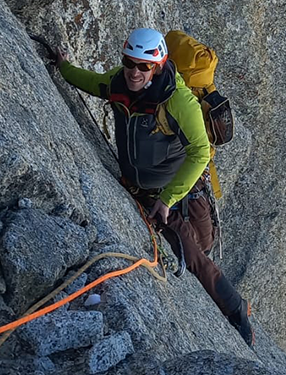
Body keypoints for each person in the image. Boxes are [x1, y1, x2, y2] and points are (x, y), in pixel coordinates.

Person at [55, 26, 253, 346]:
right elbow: (94, 83)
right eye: (129, 62)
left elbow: (201, 152)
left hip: (170, 193)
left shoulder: (178, 101)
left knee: (194, 252)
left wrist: (168, 198)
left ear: (158, 67)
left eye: (144, 66)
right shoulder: (120, 82)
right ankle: (233, 306)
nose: (134, 72)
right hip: (143, 190)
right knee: (191, 250)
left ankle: (236, 310)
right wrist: (64, 67)